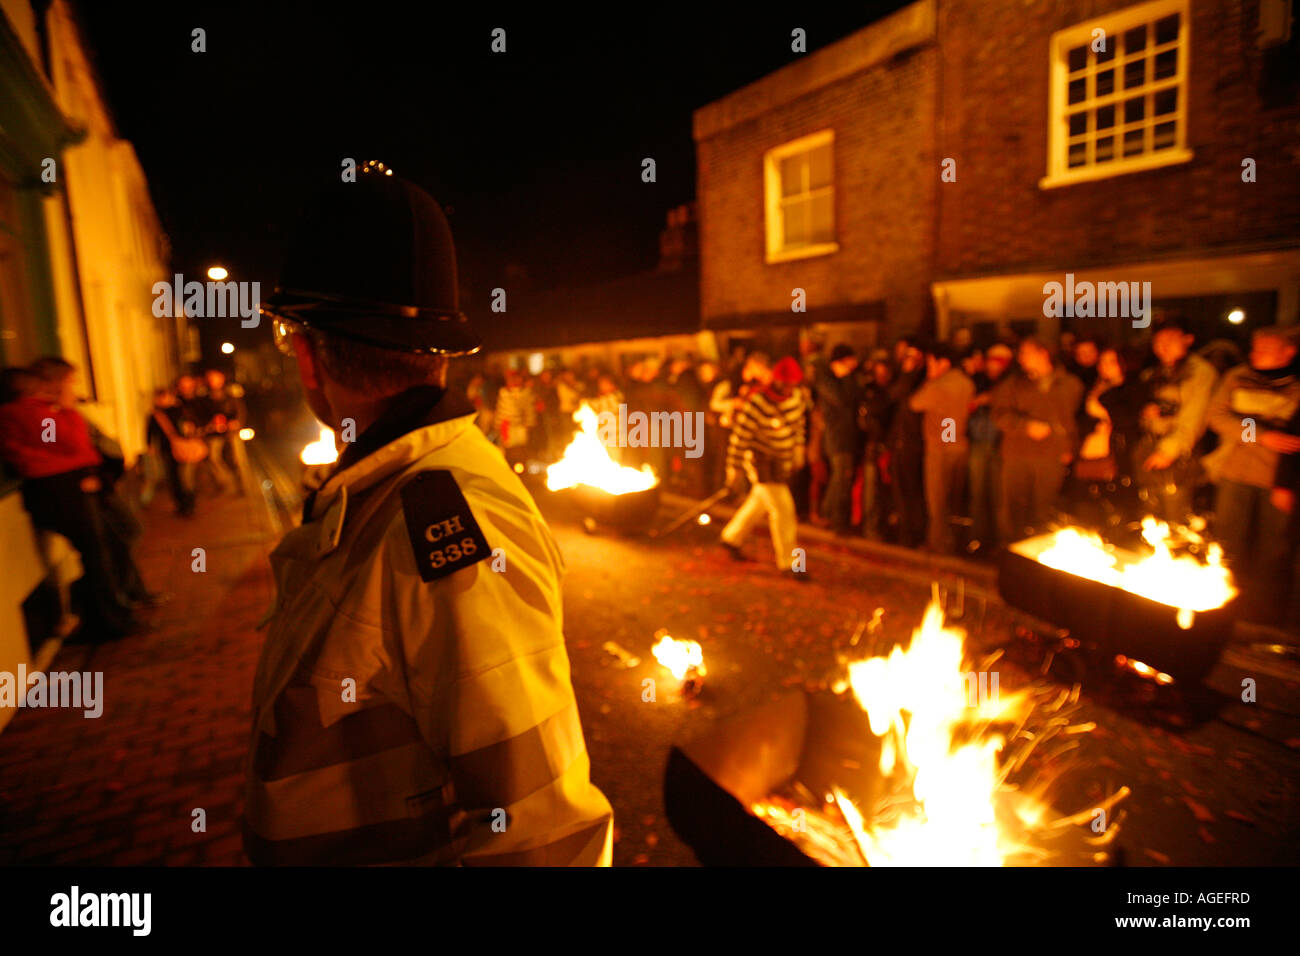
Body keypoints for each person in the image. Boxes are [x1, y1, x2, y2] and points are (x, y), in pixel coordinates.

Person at [247, 169, 612, 866]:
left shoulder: (444, 526)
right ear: (441, 357)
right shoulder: (382, 493)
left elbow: (542, 835)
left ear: (306, 354)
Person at [0, 358, 149, 640]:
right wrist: (68, 412)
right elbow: (75, 445)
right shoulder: (28, 412)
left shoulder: (32, 412)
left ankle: (111, 611)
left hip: (68, 488)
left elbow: (71, 452)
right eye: (68, 381)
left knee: (106, 547)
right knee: (97, 554)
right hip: (64, 492)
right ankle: (108, 620)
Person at [1204, 327, 1300, 628]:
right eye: (1255, 347)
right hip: (1235, 470)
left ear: (1288, 352)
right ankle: (1224, 610)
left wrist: (1246, 424)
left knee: (1273, 550)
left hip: (1275, 477)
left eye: (1266, 348)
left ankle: (1262, 620)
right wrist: (1260, 434)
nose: (1256, 353)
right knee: (1229, 543)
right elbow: (1218, 416)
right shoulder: (1238, 377)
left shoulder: (1295, 386)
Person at [718, 354, 807, 578]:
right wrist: (734, 468)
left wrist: (798, 449)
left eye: (792, 385)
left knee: (759, 502)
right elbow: (740, 437)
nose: (788, 389)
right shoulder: (757, 403)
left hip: (782, 459)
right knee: (784, 509)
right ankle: (789, 564)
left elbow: (798, 424)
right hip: (761, 461)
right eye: (785, 385)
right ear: (776, 381)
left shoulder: (796, 397)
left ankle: (731, 538)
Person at [991, 338, 1084, 541]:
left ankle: (1039, 559)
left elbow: (1073, 421)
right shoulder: (1014, 384)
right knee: (1014, 508)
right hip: (1018, 454)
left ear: (1043, 353)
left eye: (1026, 352)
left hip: (1051, 455)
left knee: (1045, 509)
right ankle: (1012, 552)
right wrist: (1025, 425)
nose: (1021, 358)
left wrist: (1069, 447)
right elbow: (998, 415)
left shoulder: (1070, 384)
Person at [1135, 321, 1218, 526]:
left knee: (1175, 513)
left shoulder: (1200, 372)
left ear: (1188, 339)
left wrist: (1169, 450)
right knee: (1150, 512)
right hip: (1149, 446)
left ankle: (1178, 552)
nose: (1163, 347)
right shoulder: (1153, 372)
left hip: (1180, 453)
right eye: (1158, 342)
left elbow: (1195, 417)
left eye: (1170, 340)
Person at [909, 342, 975, 553]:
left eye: (930, 364)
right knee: (955, 498)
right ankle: (955, 542)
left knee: (937, 501)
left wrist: (930, 379)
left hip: (940, 447)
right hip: (959, 444)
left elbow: (915, 403)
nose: (929, 368)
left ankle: (938, 545)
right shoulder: (966, 383)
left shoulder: (937, 386)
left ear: (943, 363)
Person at [967, 342, 1013, 554]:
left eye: (999, 363)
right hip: (977, 443)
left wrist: (993, 400)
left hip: (1001, 445)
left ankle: (1003, 541)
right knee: (977, 493)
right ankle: (978, 538)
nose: (994, 367)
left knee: (1000, 496)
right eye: (991, 362)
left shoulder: (1010, 385)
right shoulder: (976, 381)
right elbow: (954, 413)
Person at [811, 344, 862, 534]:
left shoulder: (845, 380)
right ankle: (832, 518)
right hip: (837, 438)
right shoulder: (827, 381)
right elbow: (842, 400)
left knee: (841, 479)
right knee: (841, 479)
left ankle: (827, 514)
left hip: (847, 437)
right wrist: (847, 376)